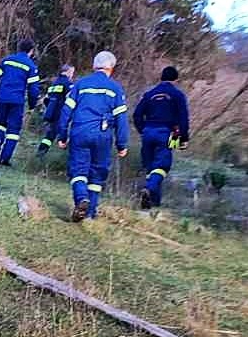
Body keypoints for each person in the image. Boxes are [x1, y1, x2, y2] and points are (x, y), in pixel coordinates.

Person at [57, 51, 129, 222]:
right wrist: (122, 144)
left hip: (80, 133)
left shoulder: (80, 85)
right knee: (97, 174)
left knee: (78, 170)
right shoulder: (115, 89)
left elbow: (66, 111)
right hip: (103, 136)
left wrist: (62, 135)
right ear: (111, 68)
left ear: (94, 66)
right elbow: (121, 119)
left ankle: (81, 198)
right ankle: (90, 214)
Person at [133, 66, 191, 209]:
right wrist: (183, 139)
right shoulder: (178, 95)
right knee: (163, 166)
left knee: (151, 169)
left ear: (161, 78)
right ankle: (149, 189)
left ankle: (152, 206)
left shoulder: (149, 94)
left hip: (148, 132)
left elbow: (137, 115)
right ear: (176, 80)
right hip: (170, 133)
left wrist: (143, 130)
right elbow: (183, 118)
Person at [0, 39, 41, 165]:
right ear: (31, 51)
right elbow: (33, 89)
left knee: (0, 124)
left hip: (2, 98)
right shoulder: (31, 66)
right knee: (13, 131)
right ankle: (4, 158)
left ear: (19, 48)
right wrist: (32, 105)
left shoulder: (6, 60)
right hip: (17, 101)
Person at [36, 64, 75, 159]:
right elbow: (72, 98)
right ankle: (64, 157)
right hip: (61, 113)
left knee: (50, 134)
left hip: (51, 113)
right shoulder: (67, 84)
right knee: (62, 134)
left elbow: (46, 99)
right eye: (72, 72)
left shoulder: (55, 83)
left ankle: (40, 153)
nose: (72, 75)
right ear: (68, 72)